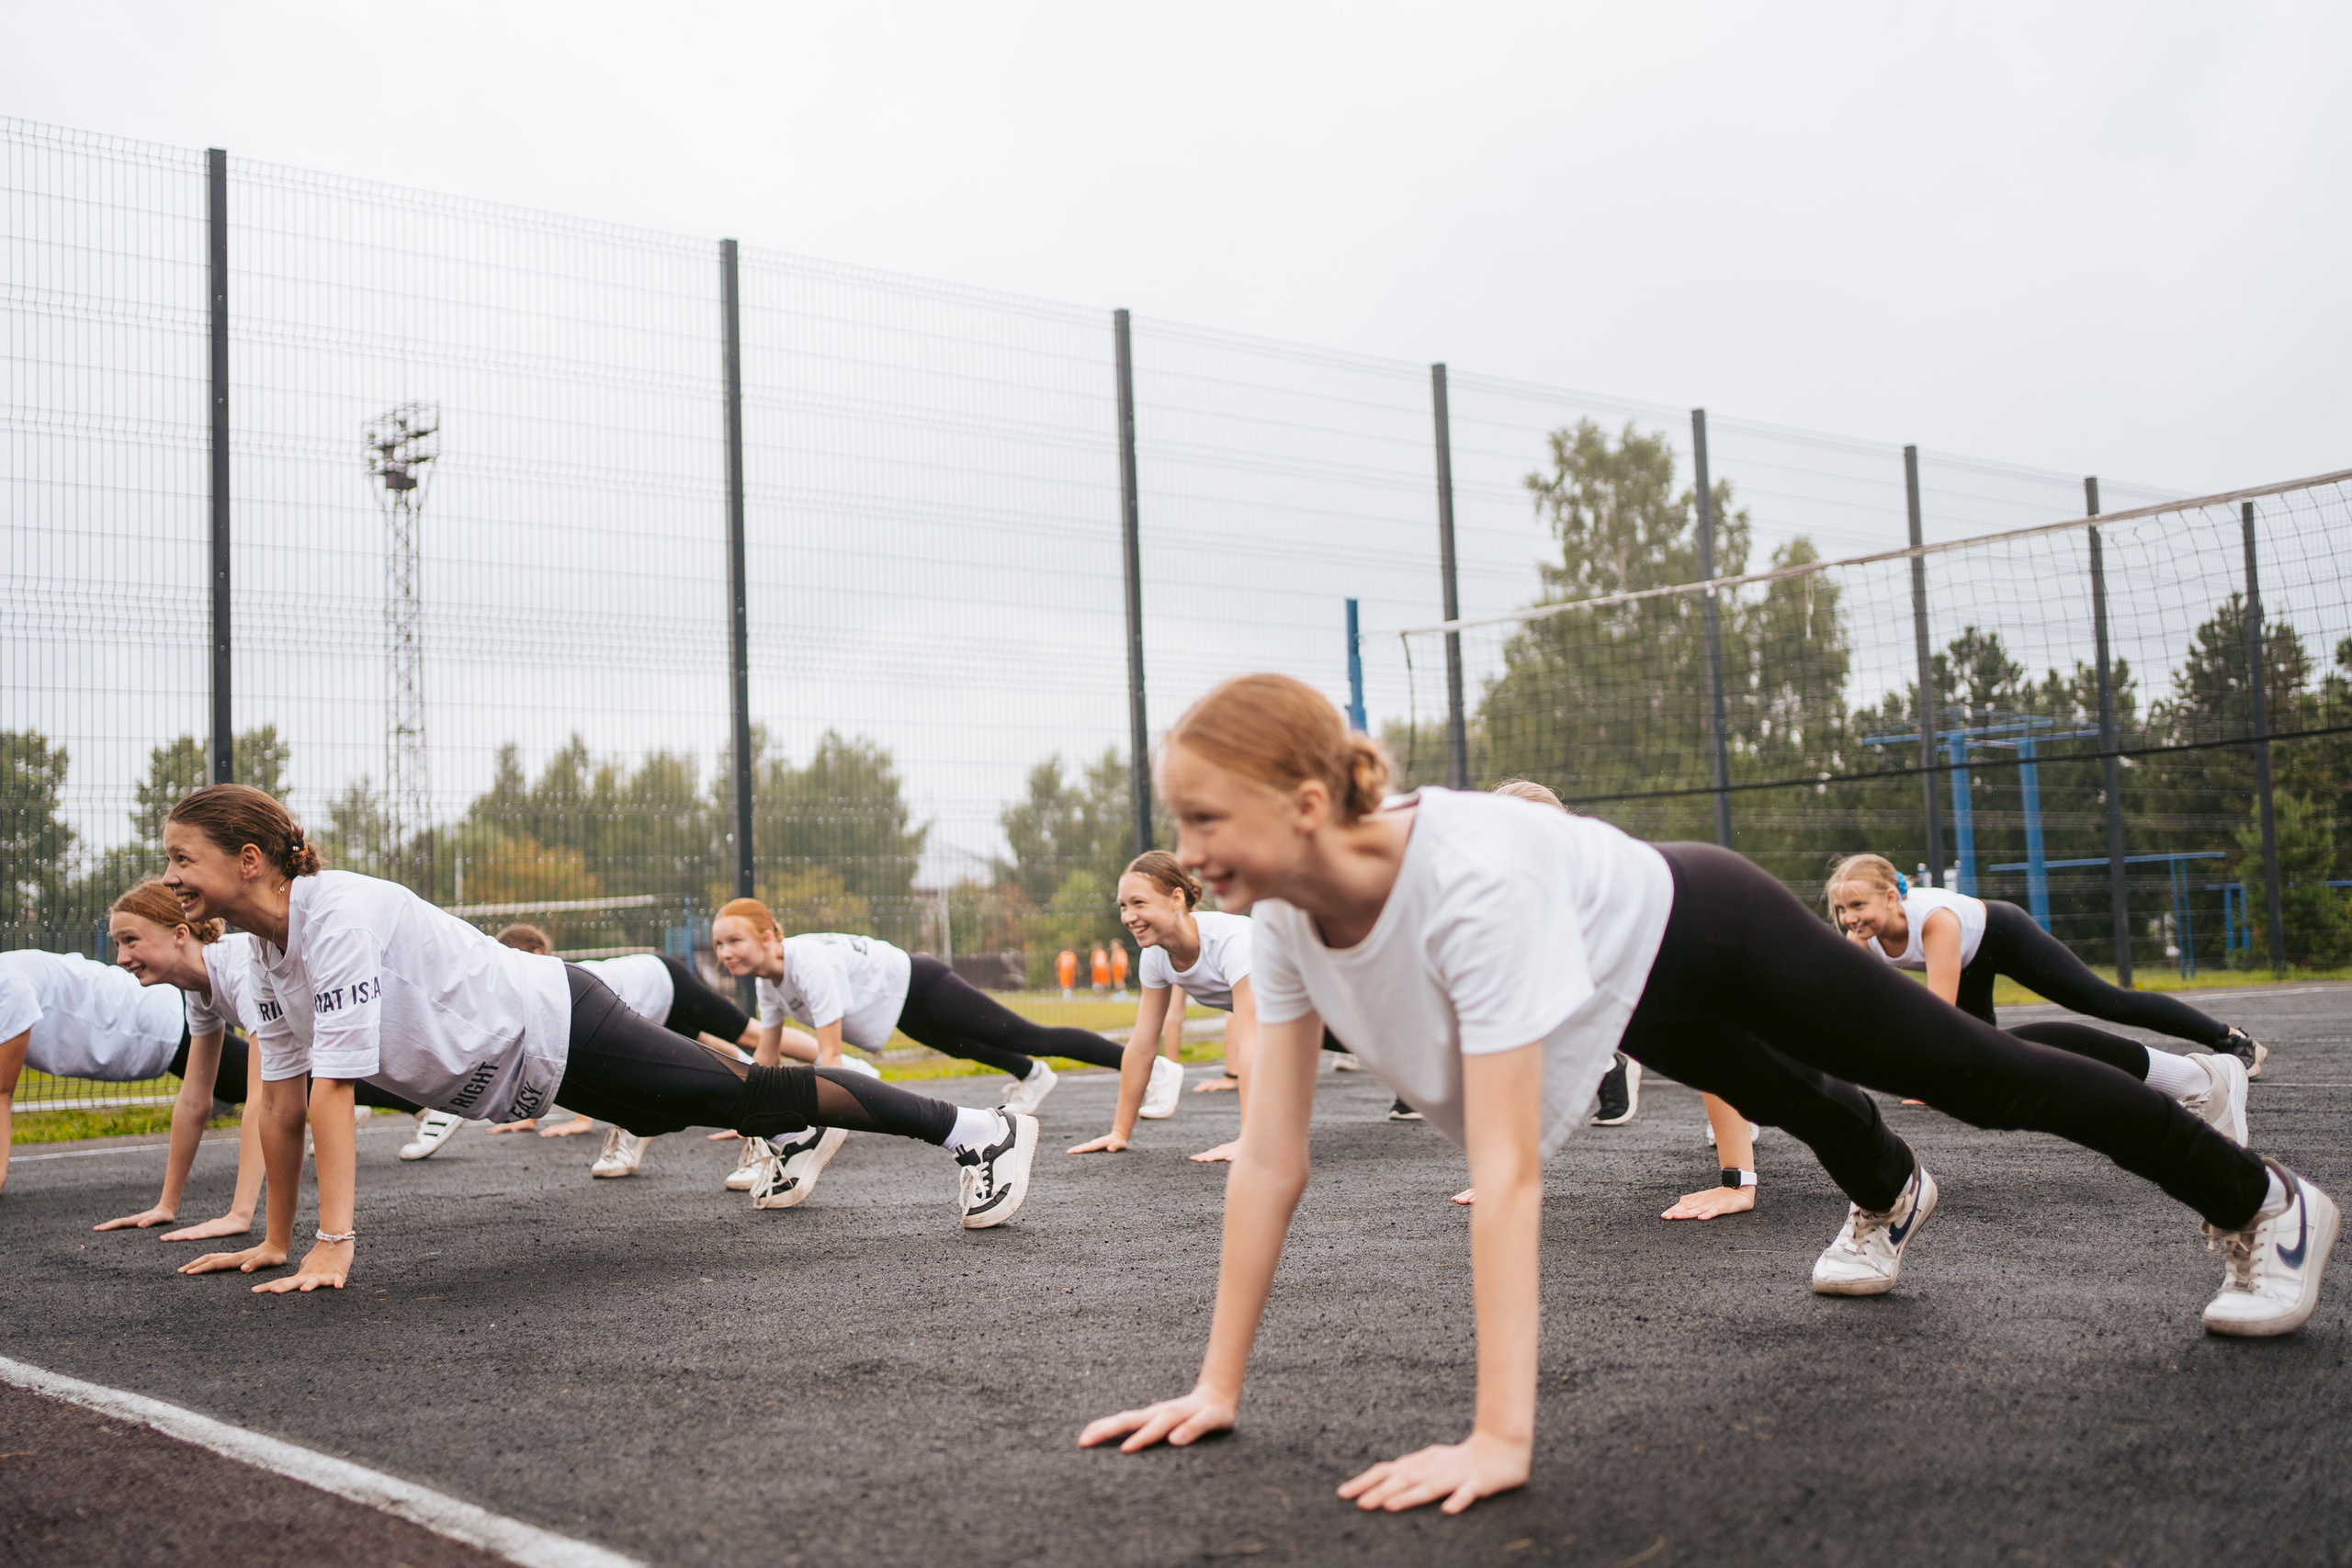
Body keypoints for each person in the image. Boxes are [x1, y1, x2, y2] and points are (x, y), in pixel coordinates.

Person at [1080, 674, 2336, 1517]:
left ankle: (2260, 1195)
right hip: (1613, 970)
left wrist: (1499, 1438)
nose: (1184, 853)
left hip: (1705, 921)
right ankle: (1890, 1187)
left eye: (1203, 817)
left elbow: (1511, 1176)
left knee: (1978, 1075)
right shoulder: (1289, 919)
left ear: (1304, 805)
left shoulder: (1469, 880)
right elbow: (1270, 1155)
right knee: (1778, 1091)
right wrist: (1216, 1383)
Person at [154, 785, 1039, 1295]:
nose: (169, 878)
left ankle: (976, 1129)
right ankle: (806, 1129)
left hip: (564, 1022)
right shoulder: (261, 954)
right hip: (533, 1073)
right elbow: (278, 1100)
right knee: (705, 1103)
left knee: (747, 1095)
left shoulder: (334, 915)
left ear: (249, 860)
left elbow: (331, 1096)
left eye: (181, 859)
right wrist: (276, 1239)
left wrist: (331, 1245)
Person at [1454, 783, 1760, 1219]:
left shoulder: (1611, 900)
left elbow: (1714, 1035)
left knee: (1820, 1077)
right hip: (1683, 992)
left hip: (1750, 963)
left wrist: (1737, 1185)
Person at [94, 881, 416, 1243]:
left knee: (310, 1089)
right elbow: (194, 1096)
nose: (121, 957)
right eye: (119, 943)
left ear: (181, 934)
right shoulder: (198, 988)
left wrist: (239, 1214)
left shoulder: (241, 970)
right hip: (328, 1050)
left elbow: (263, 1098)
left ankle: (425, 1109)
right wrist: (166, 1205)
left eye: (130, 940)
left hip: (397, 1028)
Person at [459, 924, 844, 1191]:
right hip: (646, 1006)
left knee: (746, 1033)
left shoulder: (566, 983)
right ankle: (743, 1094)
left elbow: (586, 1052)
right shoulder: (542, 995)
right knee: (715, 1050)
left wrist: (581, 1120)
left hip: (664, 980)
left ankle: (846, 1073)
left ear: (538, 955)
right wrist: (526, 1118)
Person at [1828, 852, 2267, 1086]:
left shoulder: (1936, 921)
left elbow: (1937, 1011)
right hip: (1969, 955)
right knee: (1976, 1062)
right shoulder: (1860, 937)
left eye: (1858, 905)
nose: (1849, 917)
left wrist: (1919, 1076)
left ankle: (2231, 1039)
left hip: (2002, 934)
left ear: (1890, 898)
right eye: (1842, 908)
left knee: (2101, 999)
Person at [712, 900, 1131, 1121]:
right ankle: (1033, 1075)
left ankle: (1143, 1066)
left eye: (735, 941)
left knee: (1027, 1036)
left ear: (767, 938)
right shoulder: (769, 980)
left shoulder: (809, 965)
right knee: (963, 1049)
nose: (725, 953)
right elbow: (767, 1054)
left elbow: (833, 1059)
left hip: (921, 982)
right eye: (719, 945)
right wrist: (749, 1111)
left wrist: (822, 1124)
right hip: (899, 1003)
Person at [1069, 852, 1244, 1163]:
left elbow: (1256, 1038)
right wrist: (1120, 1132)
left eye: (1139, 903)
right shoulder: (1156, 956)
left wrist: (1254, 1139)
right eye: (1123, 906)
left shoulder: (1232, 941)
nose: (1128, 916)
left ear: (1176, 898)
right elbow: (1142, 1045)